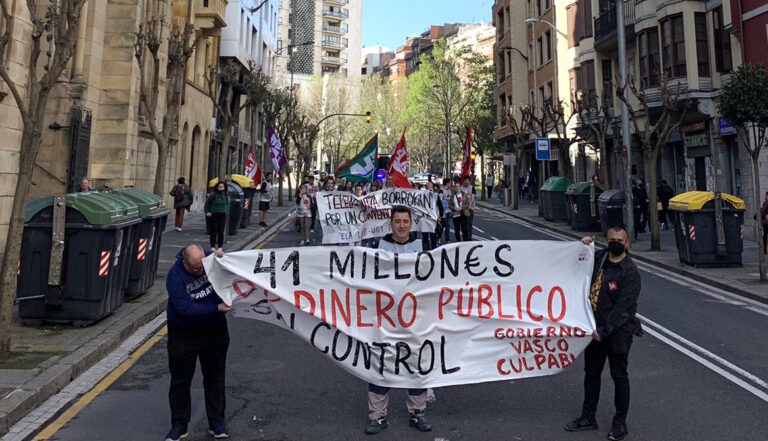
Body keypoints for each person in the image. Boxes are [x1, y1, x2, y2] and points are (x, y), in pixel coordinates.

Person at [565, 226, 642, 441]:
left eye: (620, 240)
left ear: (627, 244)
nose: (615, 243)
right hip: (594, 329)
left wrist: (604, 331)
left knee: (619, 376)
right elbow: (578, 263)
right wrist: (582, 246)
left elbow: (625, 308)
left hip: (617, 334)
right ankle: (588, 417)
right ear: (606, 241)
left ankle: (620, 424)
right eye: (611, 239)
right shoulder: (599, 259)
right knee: (591, 373)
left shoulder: (630, 272)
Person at [366, 206, 431, 435]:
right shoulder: (378, 247)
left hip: (416, 317)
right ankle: (377, 416)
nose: (402, 226)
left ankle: (417, 413)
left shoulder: (423, 246)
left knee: (417, 363)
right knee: (381, 363)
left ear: (411, 224)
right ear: (391, 224)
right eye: (397, 221)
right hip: (386, 318)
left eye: (405, 221)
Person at [165, 244, 231, 441]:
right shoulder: (174, 276)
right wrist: (216, 308)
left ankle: (217, 422)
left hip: (214, 330)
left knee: (215, 376)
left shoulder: (207, 258)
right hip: (183, 331)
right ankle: (179, 424)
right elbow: (186, 309)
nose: (201, 271)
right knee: (180, 380)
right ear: (184, 263)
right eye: (196, 269)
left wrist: (221, 255)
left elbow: (224, 260)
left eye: (202, 266)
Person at [205, 181, 229, 252]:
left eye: (222, 187)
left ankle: (220, 246)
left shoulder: (226, 195)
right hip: (214, 214)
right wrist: (207, 212)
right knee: (214, 230)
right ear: (217, 187)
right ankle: (212, 246)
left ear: (224, 187)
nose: (221, 188)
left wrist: (226, 210)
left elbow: (228, 204)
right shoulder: (213, 195)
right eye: (219, 187)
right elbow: (207, 203)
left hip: (223, 214)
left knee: (221, 231)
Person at [421, 181, 443, 250]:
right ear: (426, 188)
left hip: (433, 219)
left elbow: (440, 207)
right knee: (425, 236)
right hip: (425, 218)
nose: (430, 189)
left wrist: (440, 217)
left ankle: (433, 250)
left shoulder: (435, 196)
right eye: (428, 188)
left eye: (431, 188)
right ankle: (426, 250)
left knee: (433, 235)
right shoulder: (422, 195)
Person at [450, 177, 467, 242]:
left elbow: (467, 204)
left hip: (463, 214)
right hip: (455, 215)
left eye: (458, 186)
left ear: (460, 187)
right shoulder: (452, 195)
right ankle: (458, 241)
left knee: (464, 229)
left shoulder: (464, 194)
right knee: (457, 229)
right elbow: (450, 205)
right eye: (456, 187)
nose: (457, 188)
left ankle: (465, 241)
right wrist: (454, 209)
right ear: (454, 188)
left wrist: (461, 208)